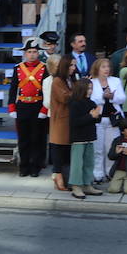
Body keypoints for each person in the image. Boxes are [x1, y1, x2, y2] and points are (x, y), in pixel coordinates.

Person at [7, 39, 48, 176]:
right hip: (22, 106)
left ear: (38, 53)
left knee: (37, 138)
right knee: (23, 139)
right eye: (29, 52)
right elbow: (13, 90)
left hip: (38, 106)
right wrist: (12, 107)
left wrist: (44, 109)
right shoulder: (18, 68)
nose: (32, 55)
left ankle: (35, 167)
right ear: (25, 53)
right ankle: (23, 167)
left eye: (35, 52)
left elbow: (47, 91)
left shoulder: (45, 68)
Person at [67, 77, 104, 199]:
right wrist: (90, 116)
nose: (90, 91)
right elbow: (74, 122)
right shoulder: (74, 103)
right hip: (78, 138)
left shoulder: (91, 102)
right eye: (88, 88)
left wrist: (97, 115)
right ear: (81, 89)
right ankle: (76, 186)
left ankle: (87, 184)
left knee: (89, 162)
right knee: (77, 163)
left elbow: (95, 119)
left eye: (91, 88)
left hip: (89, 136)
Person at [48, 53, 76, 190]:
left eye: (74, 65)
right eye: (71, 65)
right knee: (59, 150)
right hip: (60, 121)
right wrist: (79, 90)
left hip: (69, 121)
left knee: (66, 152)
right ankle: (58, 176)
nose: (73, 68)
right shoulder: (58, 81)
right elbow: (65, 98)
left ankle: (65, 178)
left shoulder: (70, 79)